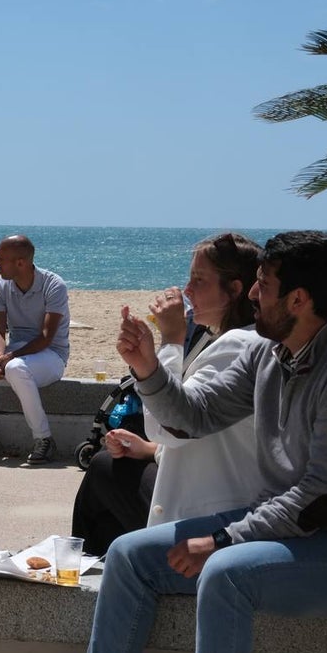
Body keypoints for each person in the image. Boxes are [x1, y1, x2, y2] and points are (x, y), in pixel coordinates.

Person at [9, 231, 327, 653]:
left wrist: (223, 538)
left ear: (299, 300)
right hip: (299, 531)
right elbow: (192, 418)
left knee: (228, 576)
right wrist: (149, 368)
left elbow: (321, 500)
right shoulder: (274, 356)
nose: (253, 295)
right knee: (129, 555)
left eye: (264, 287)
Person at [73, 233, 264, 554]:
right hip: (226, 493)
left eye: (199, 280)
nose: (187, 290)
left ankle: (87, 576)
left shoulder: (238, 347)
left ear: (234, 290)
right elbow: (219, 434)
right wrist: (150, 450)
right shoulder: (235, 341)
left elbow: (172, 427)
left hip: (215, 514)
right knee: (106, 495)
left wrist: (170, 342)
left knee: (104, 471)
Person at [0, 234, 70, 465]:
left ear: (21, 263)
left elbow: (46, 338)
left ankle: (44, 439)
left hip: (52, 356)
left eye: (1, 259)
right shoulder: (0, 284)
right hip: (14, 352)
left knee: (15, 368)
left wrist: (9, 359)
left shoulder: (54, 285)